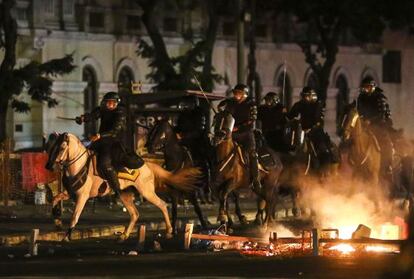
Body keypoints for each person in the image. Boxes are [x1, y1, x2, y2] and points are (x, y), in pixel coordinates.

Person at [76, 92, 133, 198]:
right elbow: (93, 115)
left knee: (104, 163)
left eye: (111, 102)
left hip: (113, 142)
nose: (108, 104)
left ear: (116, 103)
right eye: (107, 102)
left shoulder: (120, 113)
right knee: (83, 152)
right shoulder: (103, 109)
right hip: (100, 140)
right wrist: (83, 118)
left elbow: (115, 131)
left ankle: (117, 189)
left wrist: (99, 135)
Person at [218, 84, 262, 194]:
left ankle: (256, 180)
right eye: (235, 92)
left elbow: (252, 120)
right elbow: (225, 111)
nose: (235, 95)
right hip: (233, 134)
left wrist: (238, 128)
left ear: (244, 94)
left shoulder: (251, 104)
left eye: (238, 93)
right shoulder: (231, 102)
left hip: (246, 134)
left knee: (252, 154)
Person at [356, 77, 394, 177]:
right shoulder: (361, 98)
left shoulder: (379, 98)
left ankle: (388, 166)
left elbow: (381, 114)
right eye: (364, 88)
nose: (366, 89)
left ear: (372, 87)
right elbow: (359, 111)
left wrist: (370, 121)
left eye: (368, 87)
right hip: (364, 125)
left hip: (379, 124)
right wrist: (361, 120)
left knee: (386, 143)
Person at [287, 86, 335, 165]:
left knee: (322, 148)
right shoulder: (299, 105)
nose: (305, 98)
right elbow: (291, 116)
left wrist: (313, 127)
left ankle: (326, 167)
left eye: (307, 96)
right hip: (301, 131)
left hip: (315, 131)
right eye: (304, 96)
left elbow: (319, 118)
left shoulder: (317, 105)